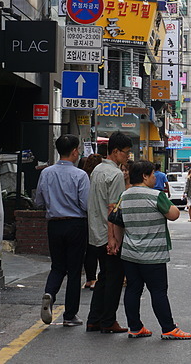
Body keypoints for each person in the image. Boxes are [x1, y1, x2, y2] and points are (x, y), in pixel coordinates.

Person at [117, 160, 191, 340]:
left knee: (133, 290)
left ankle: (135, 327)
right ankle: (168, 328)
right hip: (153, 255)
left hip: (129, 254)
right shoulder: (155, 196)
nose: (153, 178)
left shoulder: (124, 196)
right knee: (158, 291)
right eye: (152, 175)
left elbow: (119, 223)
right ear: (144, 176)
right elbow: (174, 215)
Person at [33, 134, 90, 326]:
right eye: (79, 150)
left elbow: (38, 201)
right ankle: (69, 315)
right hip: (75, 224)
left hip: (54, 224)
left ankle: (49, 293)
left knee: (57, 266)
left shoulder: (46, 173)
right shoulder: (80, 175)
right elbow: (85, 204)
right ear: (74, 152)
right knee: (74, 271)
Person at [85, 132, 132, 334]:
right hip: (108, 234)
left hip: (95, 231)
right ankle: (107, 321)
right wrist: (114, 239)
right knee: (113, 279)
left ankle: (94, 319)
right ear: (115, 151)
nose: (128, 157)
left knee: (104, 277)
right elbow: (113, 209)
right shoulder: (115, 175)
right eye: (126, 153)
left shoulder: (97, 169)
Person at [80, 152, 104, 290]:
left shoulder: (84, 177)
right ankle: (97, 278)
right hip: (97, 215)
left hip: (84, 217)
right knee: (98, 247)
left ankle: (90, 278)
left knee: (89, 250)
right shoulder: (98, 178)